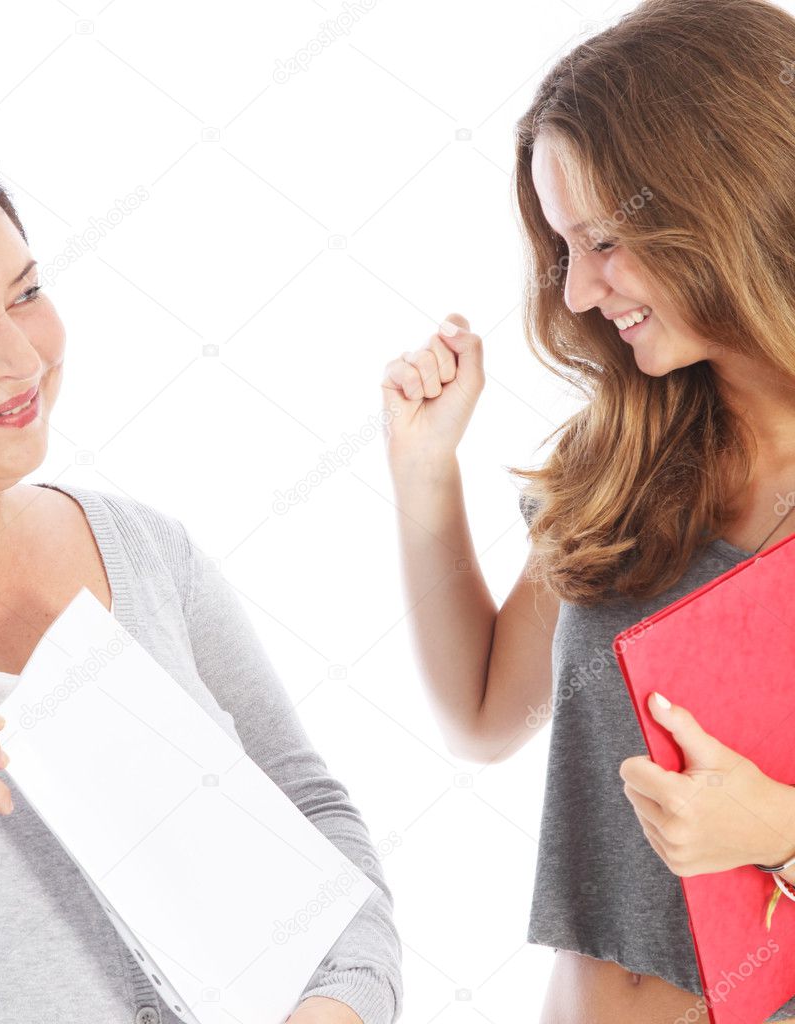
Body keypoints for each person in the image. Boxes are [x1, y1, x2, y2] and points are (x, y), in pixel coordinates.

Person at [0, 112, 402, 1024]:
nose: (21, 356)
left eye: (25, 293)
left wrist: (343, 1001)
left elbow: (311, 815)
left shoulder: (147, 553)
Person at [380, 0, 795, 1020]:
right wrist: (424, 474)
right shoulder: (628, 456)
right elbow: (484, 714)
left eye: (602, 241)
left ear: (724, 202)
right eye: (562, 247)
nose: (573, 293)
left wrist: (776, 834)